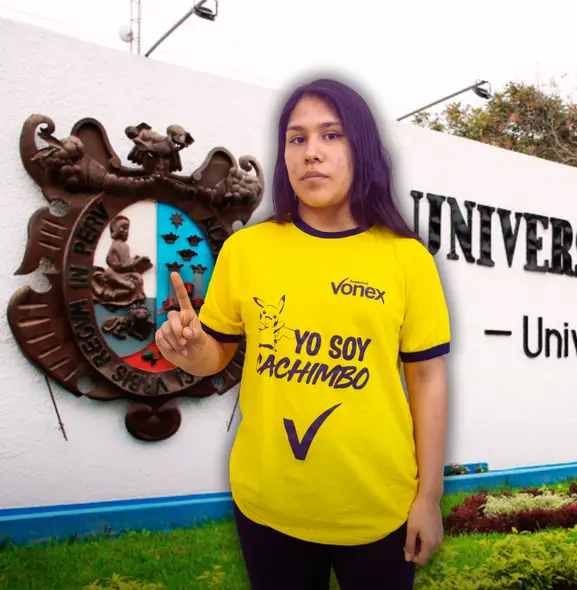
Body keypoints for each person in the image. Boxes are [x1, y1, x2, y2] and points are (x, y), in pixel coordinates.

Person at [154, 77, 451, 590]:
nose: (312, 152)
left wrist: (429, 496)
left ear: (362, 150)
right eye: (297, 138)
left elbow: (427, 380)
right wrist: (191, 349)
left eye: (331, 135)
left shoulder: (408, 260)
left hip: (378, 508)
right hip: (267, 506)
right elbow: (216, 355)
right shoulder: (247, 250)